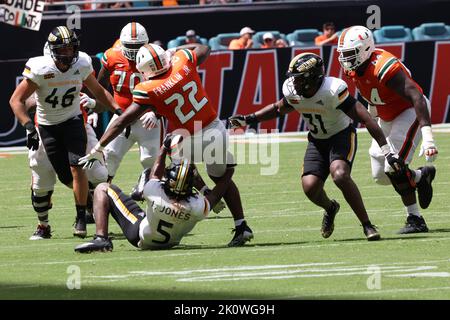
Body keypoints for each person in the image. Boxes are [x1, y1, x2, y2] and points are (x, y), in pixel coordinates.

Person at [80, 43, 254, 247]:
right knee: (220, 176)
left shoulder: (148, 88)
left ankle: (202, 192)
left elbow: (121, 121)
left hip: (187, 137)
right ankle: (241, 225)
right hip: (215, 129)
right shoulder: (182, 61)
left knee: (177, 171)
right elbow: (204, 48)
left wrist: (99, 146)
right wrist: (173, 52)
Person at [229, 52, 406, 241]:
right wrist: (249, 119)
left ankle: (367, 224)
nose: (293, 83)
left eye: (298, 79)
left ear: (312, 77)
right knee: (310, 187)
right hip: (317, 140)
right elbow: (279, 108)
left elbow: (365, 118)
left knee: (340, 175)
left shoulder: (333, 90)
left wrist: (387, 152)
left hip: (341, 136)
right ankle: (330, 207)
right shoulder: (293, 90)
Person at [9, 26, 121, 238]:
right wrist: (29, 127)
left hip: (73, 121)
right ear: (51, 51)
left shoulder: (81, 63)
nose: (68, 53)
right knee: (52, 179)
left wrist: (118, 109)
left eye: (71, 48)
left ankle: (84, 216)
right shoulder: (40, 68)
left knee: (85, 169)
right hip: (46, 127)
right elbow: (18, 100)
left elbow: (98, 91)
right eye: (64, 49)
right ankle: (45, 224)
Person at [337, 25, 437, 234]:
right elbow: (370, 90)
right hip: (386, 114)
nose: (346, 59)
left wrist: (428, 137)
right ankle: (420, 177)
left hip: (409, 111)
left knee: (393, 165)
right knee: (379, 175)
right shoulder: (355, 67)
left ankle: (415, 218)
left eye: (350, 54)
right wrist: (373, 110)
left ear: (365, 49)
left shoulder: (383, 65)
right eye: (343, 55)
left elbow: (416, 96)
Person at [75, 134, 228, 252]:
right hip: (171, 242)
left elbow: (155, 172)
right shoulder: (197, 206)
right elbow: (216, 194)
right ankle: (138, 193)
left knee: (103, 187)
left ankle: (101, 238)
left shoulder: (155, 191)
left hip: (140, 236)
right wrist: (230, 171)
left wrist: (164, 148)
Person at [97, 22, 163, 199]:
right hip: (122, 116)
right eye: (130, 46)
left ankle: (152, 196)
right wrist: (95, 106)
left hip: (147, 117)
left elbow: (167, 88)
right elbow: (99, 86)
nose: (134, 51)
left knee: (151, 160)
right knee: (108, 157)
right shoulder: (112, 56)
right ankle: (101, 199)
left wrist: (156, 112)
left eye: (138, 46)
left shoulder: (156, 56)